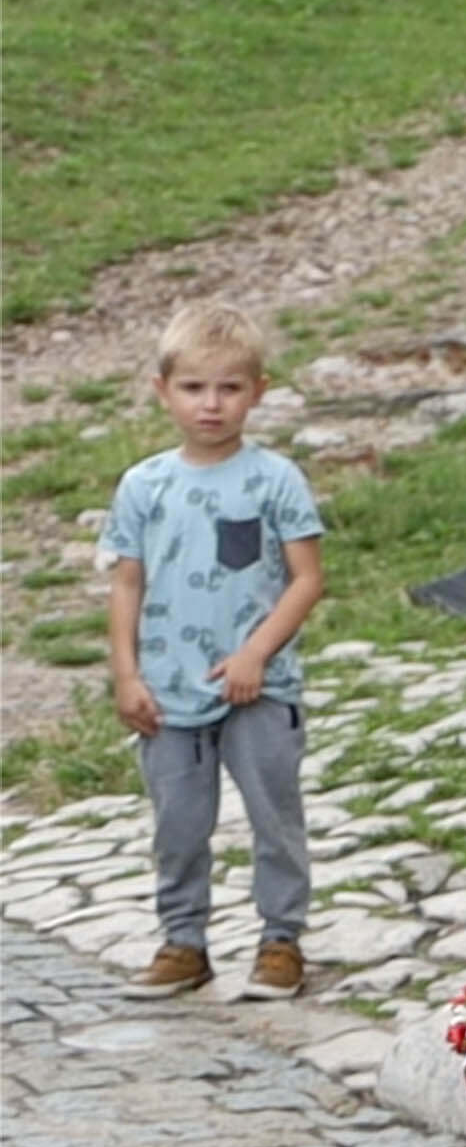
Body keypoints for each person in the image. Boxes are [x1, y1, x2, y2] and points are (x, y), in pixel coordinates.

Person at [108, 302, 327, 1004]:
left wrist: (254, 655)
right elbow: (127, 583)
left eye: (229, 388)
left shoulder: (275, 480)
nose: (212, 404)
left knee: (274, 815)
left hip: (258, 691)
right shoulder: (144, 486)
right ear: (162, 389)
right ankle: (183, 942)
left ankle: (281, 940)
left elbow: (307, 578)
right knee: (178, 823)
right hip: (168, 693)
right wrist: (127, 675)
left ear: (257, 392)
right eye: (195, 387)